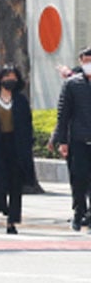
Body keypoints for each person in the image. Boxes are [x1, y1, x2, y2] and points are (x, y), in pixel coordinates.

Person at [0, 65, 35, 234]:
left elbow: (27, 125)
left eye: (13, 77)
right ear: (0, 79)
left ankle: (12, 221)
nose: (10, 80)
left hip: (16, 146)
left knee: (16, 185)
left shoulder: (21, 101)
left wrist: (27, 146)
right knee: (0, 183)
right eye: (7, 76)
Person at [55, 47, 91, 232]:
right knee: (78, 179)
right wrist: (62, 141)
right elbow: (63, 114)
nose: (88, 65)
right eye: (85, 61)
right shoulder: (72, 84)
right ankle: (78, 213)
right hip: (78, 140)